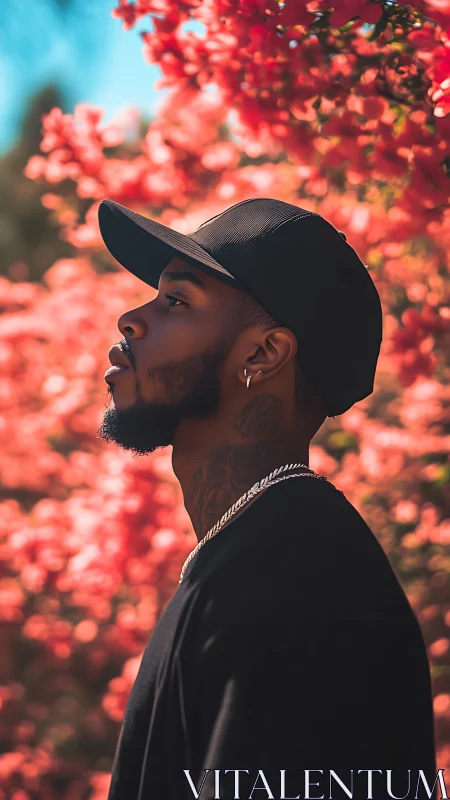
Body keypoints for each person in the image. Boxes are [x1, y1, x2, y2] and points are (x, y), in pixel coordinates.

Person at [96, 197, 436, 800]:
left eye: (177, 300)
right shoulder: (261, 554)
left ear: (263, 354)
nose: (130, 317)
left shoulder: (298, 580)